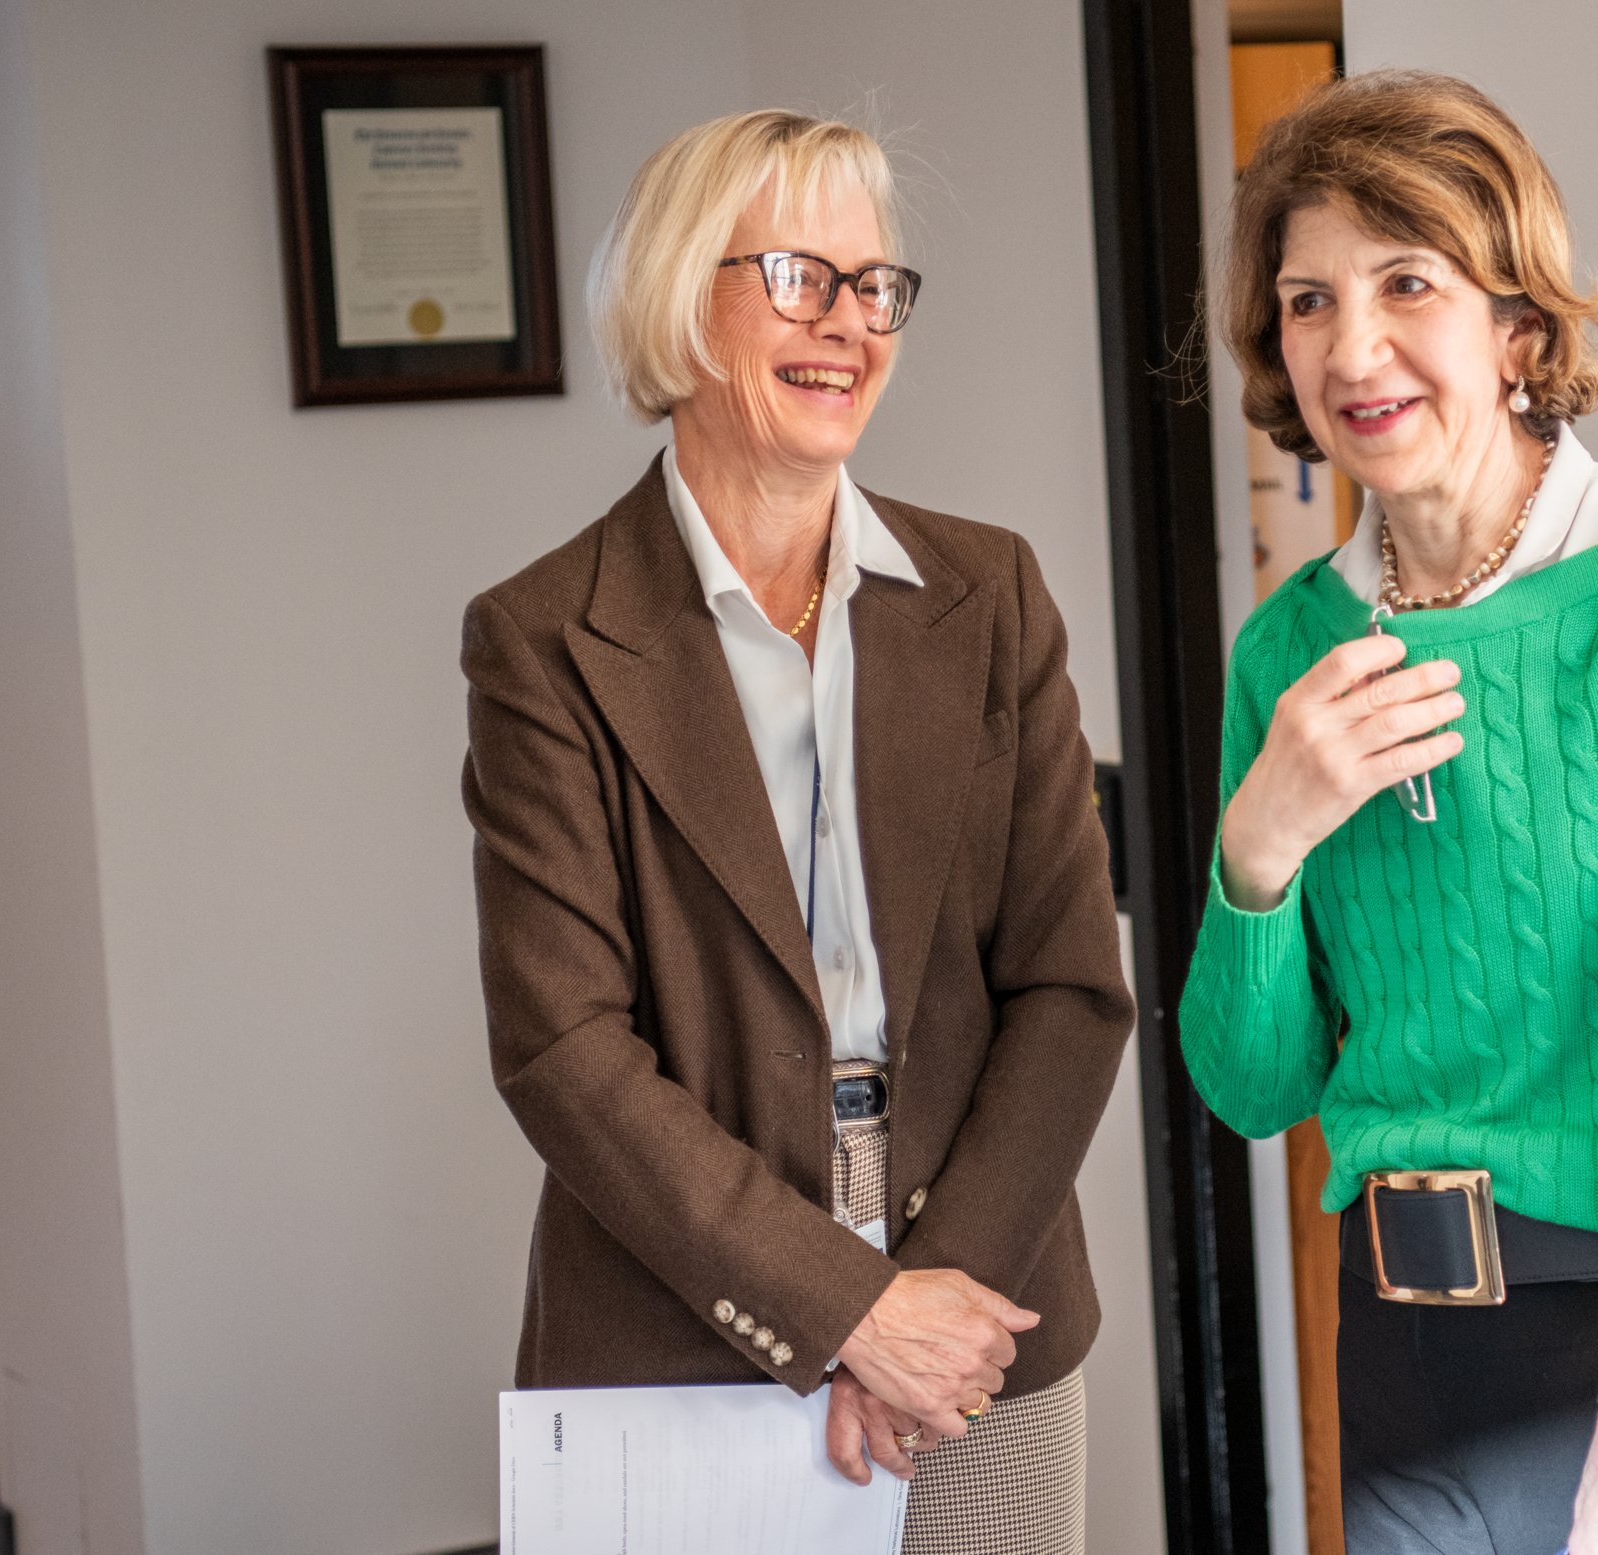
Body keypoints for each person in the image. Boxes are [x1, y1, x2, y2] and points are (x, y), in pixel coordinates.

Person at [1181, 70, 1598, 1555]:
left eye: (1406, 284)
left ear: (1519, 328)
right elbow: (1254, 1086)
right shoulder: (1285, 653)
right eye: (1307, 302)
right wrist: (1260, 847)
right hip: (1403, 1348)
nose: (1351, 347)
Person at [461, 109, 1132, 1555]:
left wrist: (931, 1311)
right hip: (682, 1312)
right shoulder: (543, 639)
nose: (850, 322)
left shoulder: (994, 595)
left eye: (875, 285)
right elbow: (563, 1048)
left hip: (984, 1314)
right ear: (677, 298)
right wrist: (846, 1310)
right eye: (797, 278)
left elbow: (1072, 988)